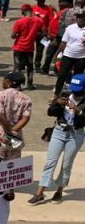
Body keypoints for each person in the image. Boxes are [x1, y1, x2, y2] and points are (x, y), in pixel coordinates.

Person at [31, 74, 85, 204]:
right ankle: (40, 192)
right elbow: (51, 112)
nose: (75, 92)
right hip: (59, 131)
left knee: (67, 164)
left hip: (75, 134)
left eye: (79, 90)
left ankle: (59, 190)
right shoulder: (65, 94)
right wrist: (56, 103)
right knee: (50, 161)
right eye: (74, 89)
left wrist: (78, 110)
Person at [0, 72, 31, 160]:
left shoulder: (0, 95)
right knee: (12, 165)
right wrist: (13, 130)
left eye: (4, 81)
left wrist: (8, 130)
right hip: (16, 138)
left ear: (8, 82)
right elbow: (25, 118)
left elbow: (0, 114)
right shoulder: (26, 99)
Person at [10, 5, 41, 90]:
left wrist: (15, 35)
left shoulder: (19, 22)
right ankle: (30, 84)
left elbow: (13, 35)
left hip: (19, 47)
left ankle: (18, 85)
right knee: (30, 67)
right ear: (31, 11)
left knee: (17, 67)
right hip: (29, 48)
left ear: (22, 12)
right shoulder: (38, 20)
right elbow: (42, 31)